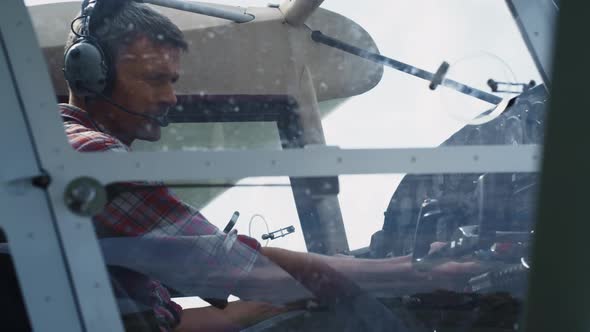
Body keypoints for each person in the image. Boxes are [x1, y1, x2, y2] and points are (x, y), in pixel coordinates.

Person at [61, 1, 483, 331]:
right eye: (156, 78)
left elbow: (176, 322)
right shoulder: (92, 160)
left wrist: (290, 296)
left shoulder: (65, 150)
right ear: (91, 76)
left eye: (173, 81)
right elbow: (237, 269)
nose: (170, 98)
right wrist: (412, 274)